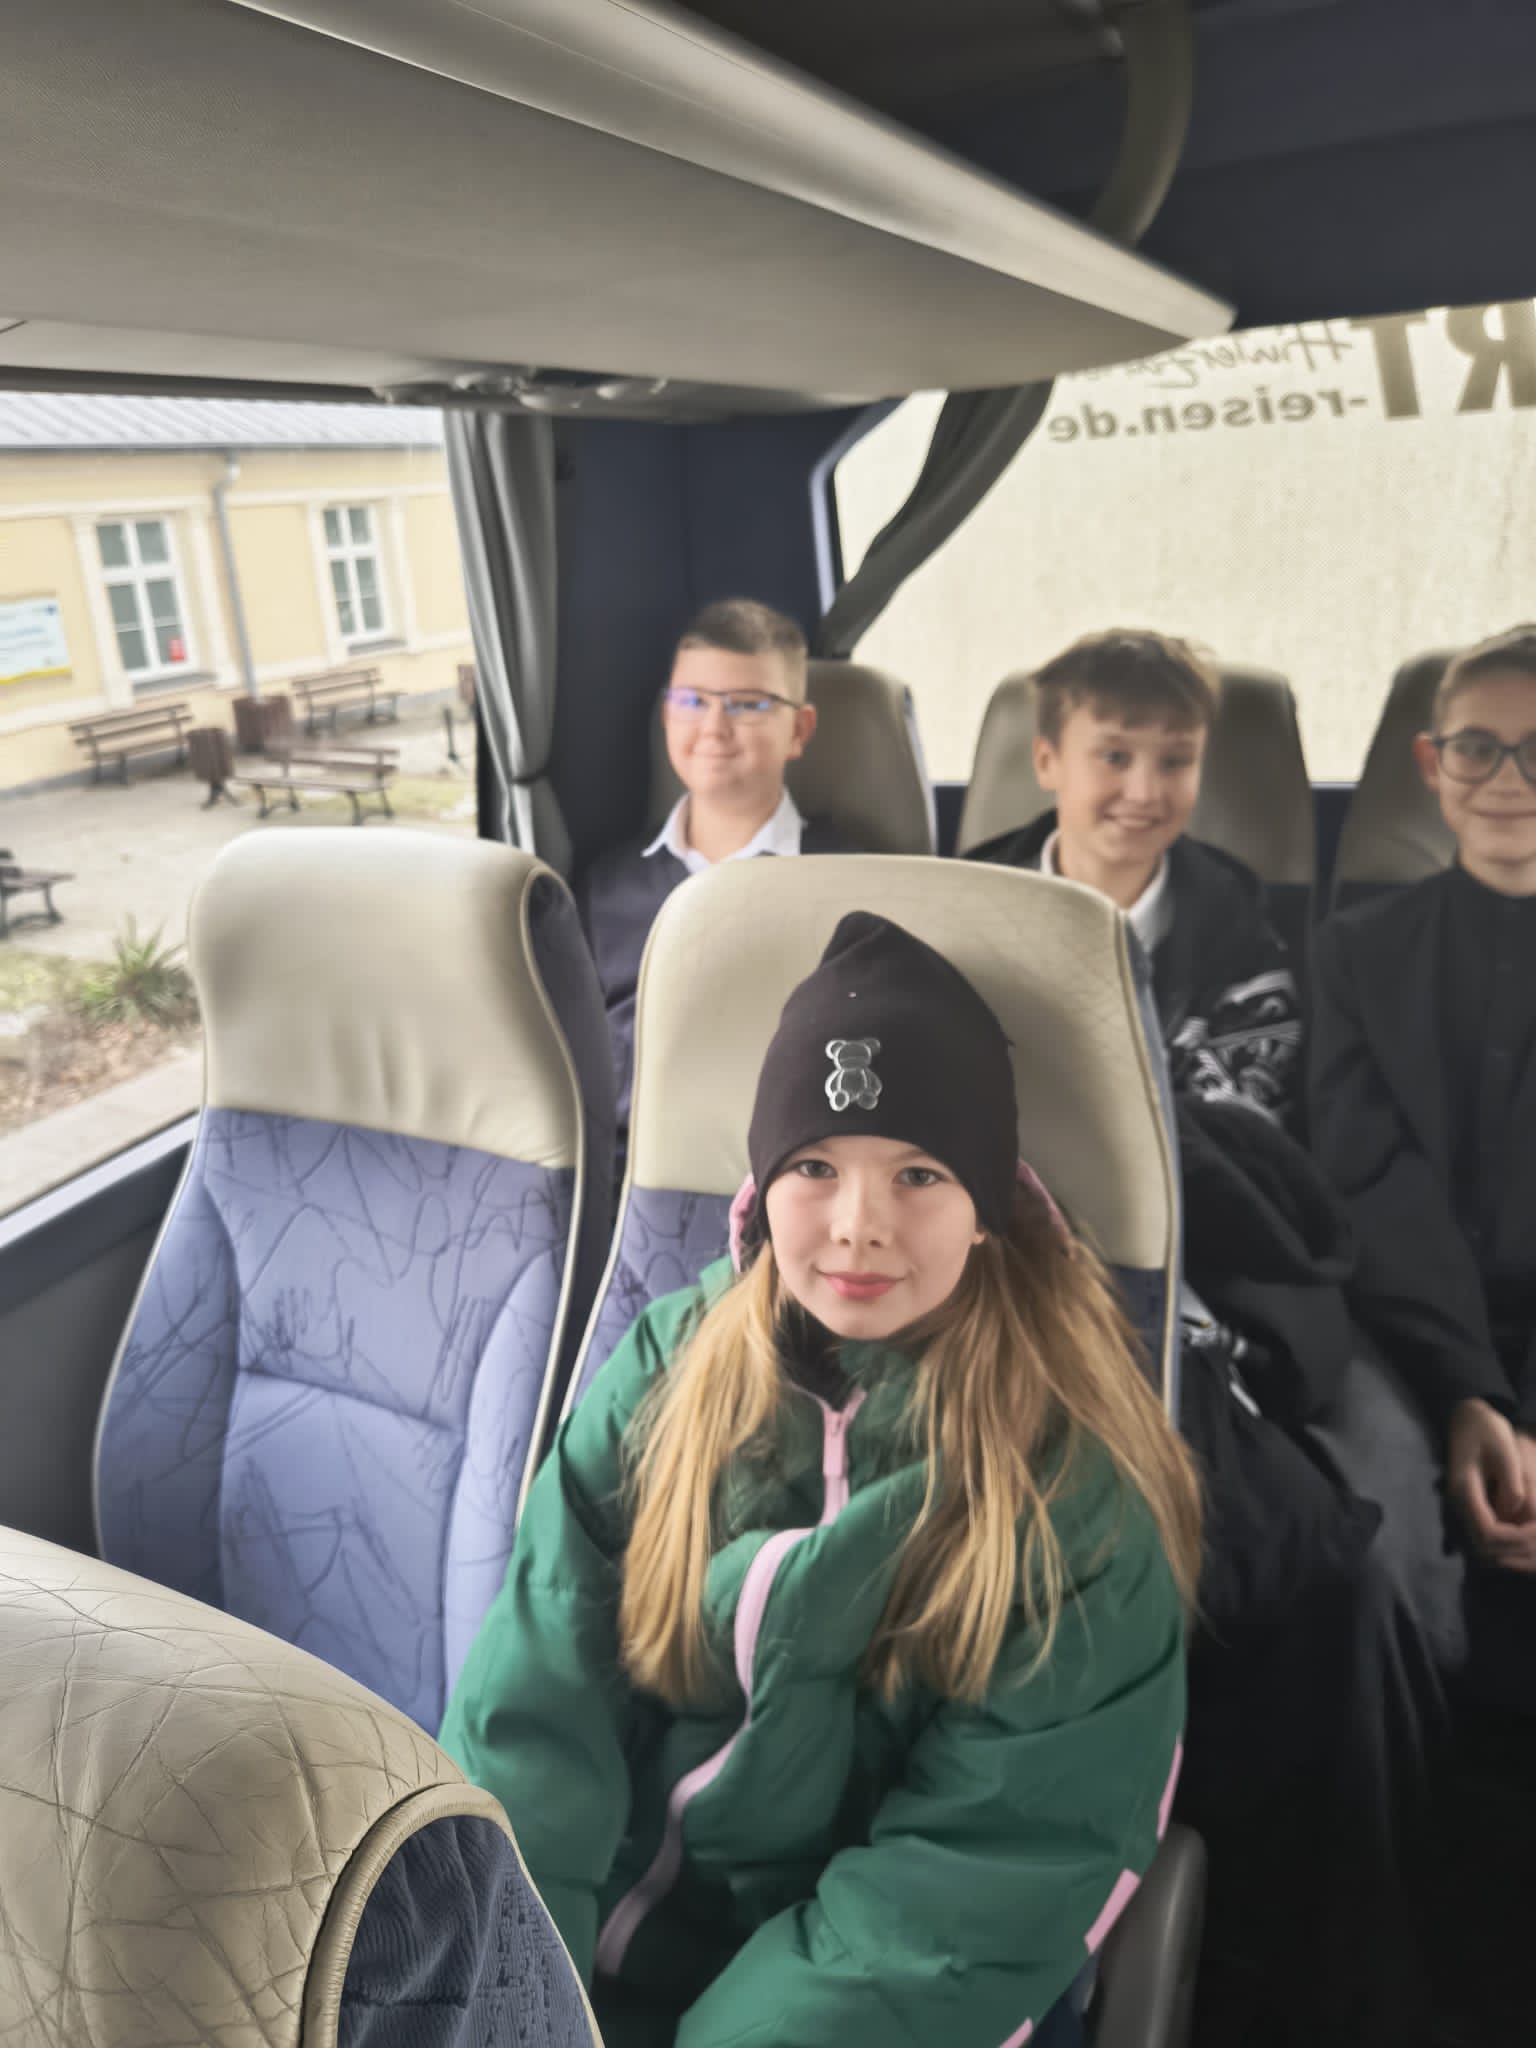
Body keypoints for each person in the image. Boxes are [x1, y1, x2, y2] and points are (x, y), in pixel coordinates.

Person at [442, 911, 1200, 2048]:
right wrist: (513, 2008)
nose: (858, 1227)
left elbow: (987, 1867)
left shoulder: (1069, 1483)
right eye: (814, 1166)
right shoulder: (663, 1373)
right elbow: (534, 1717)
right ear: (760, 1186)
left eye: (919, 1173)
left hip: (883, 1998)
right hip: (594, 1968)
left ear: (989, 1211)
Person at [1311, 625, 1536, 1703]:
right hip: (1402, 1332)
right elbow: (1366, 1181)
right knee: (1370, 1554)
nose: (1508, 780)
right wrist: (1470, 1390)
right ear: (1430, 763)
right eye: (1477, 747)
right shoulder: (1354, 951)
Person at [966, 629, 1302, 1126]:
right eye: (1115, 758)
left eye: (1175, 762)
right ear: (1047, 762)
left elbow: (1244, 1137)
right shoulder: (961, 915)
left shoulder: (1245, 944)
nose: (1145, 793)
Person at [580, 599, 848, 1152]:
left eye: (748, 704)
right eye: (692, 701)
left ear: (799, 730)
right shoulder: (606, 889)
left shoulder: (853, 881)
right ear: (666, 715)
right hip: (631, 1169)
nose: (713, 726)